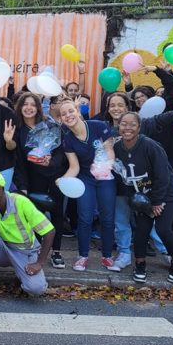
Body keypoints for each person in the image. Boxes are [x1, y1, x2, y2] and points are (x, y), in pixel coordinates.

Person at [112, 112, 173, 284]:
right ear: (119, 126)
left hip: (166, 193)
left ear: (139, 127)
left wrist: (157, 202)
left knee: (162, 229)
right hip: (143, 196)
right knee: (142, 230)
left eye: (132, 124)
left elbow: (163, 175)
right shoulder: (117, 147)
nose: (127, 128)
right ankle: (140, 264)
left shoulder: (151, 146)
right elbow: (123, 178)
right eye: (124, 124)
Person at [0, 170, 54, 306]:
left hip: (25, 252)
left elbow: (49, 231)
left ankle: (20, 275)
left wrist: (40, 263)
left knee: (36, 288)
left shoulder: (20, 201)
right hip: (2, 249)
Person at [58, 100, 116, 271]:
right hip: (85, 178)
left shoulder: (98, 126)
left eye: (71, 111)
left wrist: (104, 167)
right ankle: (82, 256)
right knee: (84, 217)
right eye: (64, 114)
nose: (68, 115)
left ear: (77, 111)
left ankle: (107, 256)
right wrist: (63, 179)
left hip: (105, 175)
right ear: (61, 119)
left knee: (107, 217)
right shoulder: (68, 140)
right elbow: (74, 167)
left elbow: (109, 151)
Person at [12, 92, 67, 269]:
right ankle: (36, 250)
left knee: (57, 213)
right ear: (20, 107)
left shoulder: (50, 125)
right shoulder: (17, 130)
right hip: (33, 178)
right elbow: (19, 161)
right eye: (25, 104)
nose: (28, 108)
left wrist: (51, 162)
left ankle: (56, 251)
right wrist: (23, 186)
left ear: (38, 107)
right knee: (33, 215)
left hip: (55, 176)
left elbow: (61, 153)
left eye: (32, 104)